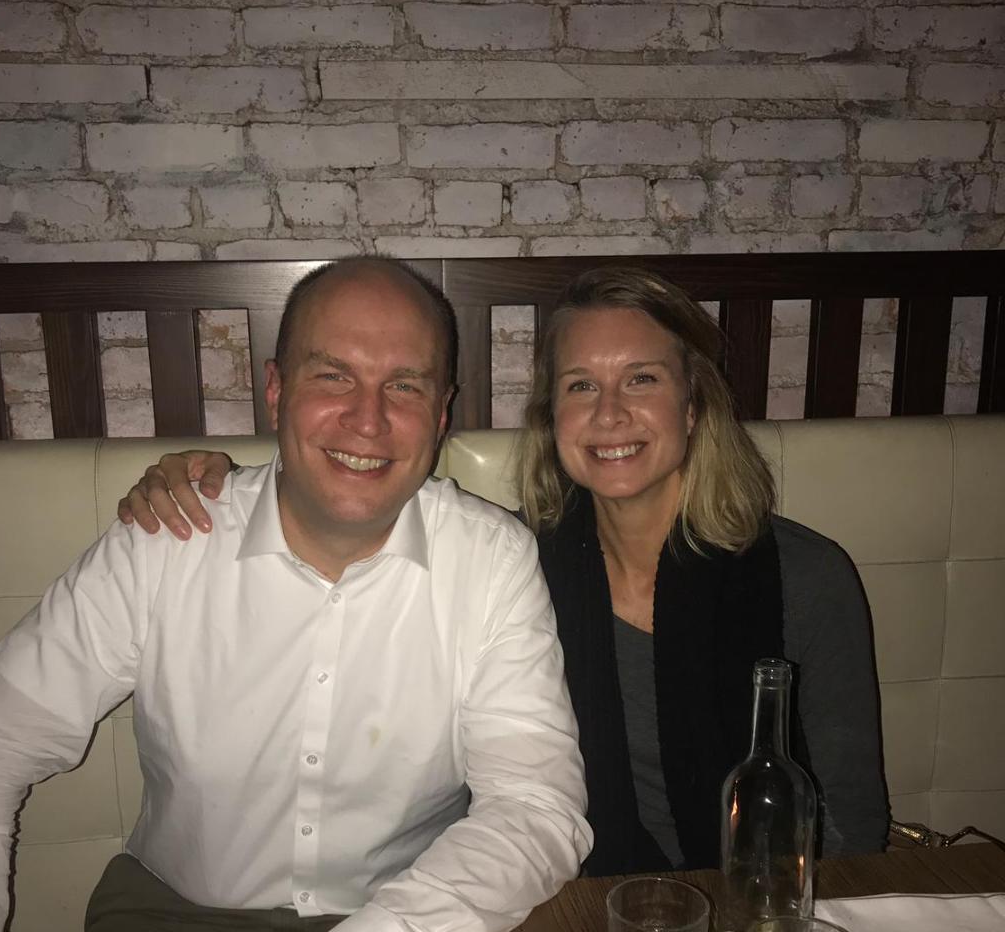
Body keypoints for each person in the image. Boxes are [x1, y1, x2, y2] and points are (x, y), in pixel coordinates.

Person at [117, 266, 890, 878]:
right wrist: (225, 483)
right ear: (552, 417)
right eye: (581, 385)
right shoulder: (512, 565)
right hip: (568, 902)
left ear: (693, 406)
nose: (610, 413)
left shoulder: (804, 578)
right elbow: (344, 498)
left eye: (642, 380)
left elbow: (853, 828)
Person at [0, 257, 591, 932]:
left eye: (404, 386)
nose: (368, 419)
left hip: (406, 915)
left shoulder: (491, 560)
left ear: (441, 413)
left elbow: (534, 806)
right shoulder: (167, 537)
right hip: (174, 913)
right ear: (276, 390)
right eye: (333, 376)